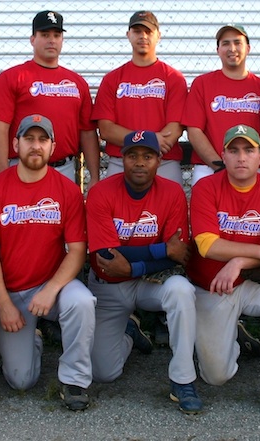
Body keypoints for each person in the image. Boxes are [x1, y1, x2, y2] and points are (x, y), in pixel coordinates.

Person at [0, 114, 96, 411]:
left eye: (43, 140)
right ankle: (34, 340)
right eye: (29, 138)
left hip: (49, 287)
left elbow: (78, 250)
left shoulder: (66, 189)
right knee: (20, 381)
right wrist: (3, 303)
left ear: (53, 147)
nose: (36, 146)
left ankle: (74, 380)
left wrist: (51, 289)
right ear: (15, 144)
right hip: (12, 292)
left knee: (81, 300)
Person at [188, 124, 260, 414]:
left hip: (252, 281)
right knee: (216, 377)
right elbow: (206, 244)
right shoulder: (205, 187)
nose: (241, 157)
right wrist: (259, 251)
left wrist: (238, 261)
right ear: (222, 156)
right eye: (234, 150)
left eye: (248, 150)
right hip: (213, 284)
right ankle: (236, 338)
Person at [85, 130, 198, 413]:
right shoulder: (100, 191)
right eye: (132, 156)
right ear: (121, 159)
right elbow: (106, 257)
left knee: (182, 291)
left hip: (151, 283)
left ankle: (183, 379)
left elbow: (180, 254)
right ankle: (129, 333)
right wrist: (161, 250)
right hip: (110, 286)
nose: (139, 162)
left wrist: (135, 264)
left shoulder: (172, 191)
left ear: (158, 161)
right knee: (104, 373)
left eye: (147, 156)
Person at [0, 10, 99, 186]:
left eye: (57, 35)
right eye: (45, 34)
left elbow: (87, 132)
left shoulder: (77, 83)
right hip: (22, 167)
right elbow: (0, 130)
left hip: (65, 167)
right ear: (33, 39)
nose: (51, 40)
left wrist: (94, 176)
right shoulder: (13, 77)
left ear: (62, 40)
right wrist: (3, 175)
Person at [92, 11, 188, 185]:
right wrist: (148, 139)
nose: (143, 36)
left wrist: (147, 142)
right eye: (137, 31)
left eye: (148, 32)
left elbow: (176, 127)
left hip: (164, 161)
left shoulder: (174, 78)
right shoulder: (112, 79)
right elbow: (105, 129)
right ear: (128, 35)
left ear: (158, 36)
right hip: (121, 161)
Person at [184, 24, 260, 186]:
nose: (232, 48)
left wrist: (249, 163)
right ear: (218, 50)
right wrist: (219, 165)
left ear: (248, 48)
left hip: (251, 169)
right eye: (225, 43)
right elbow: (194, 131)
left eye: (237, 43)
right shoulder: (202, 84)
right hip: (209, 168)